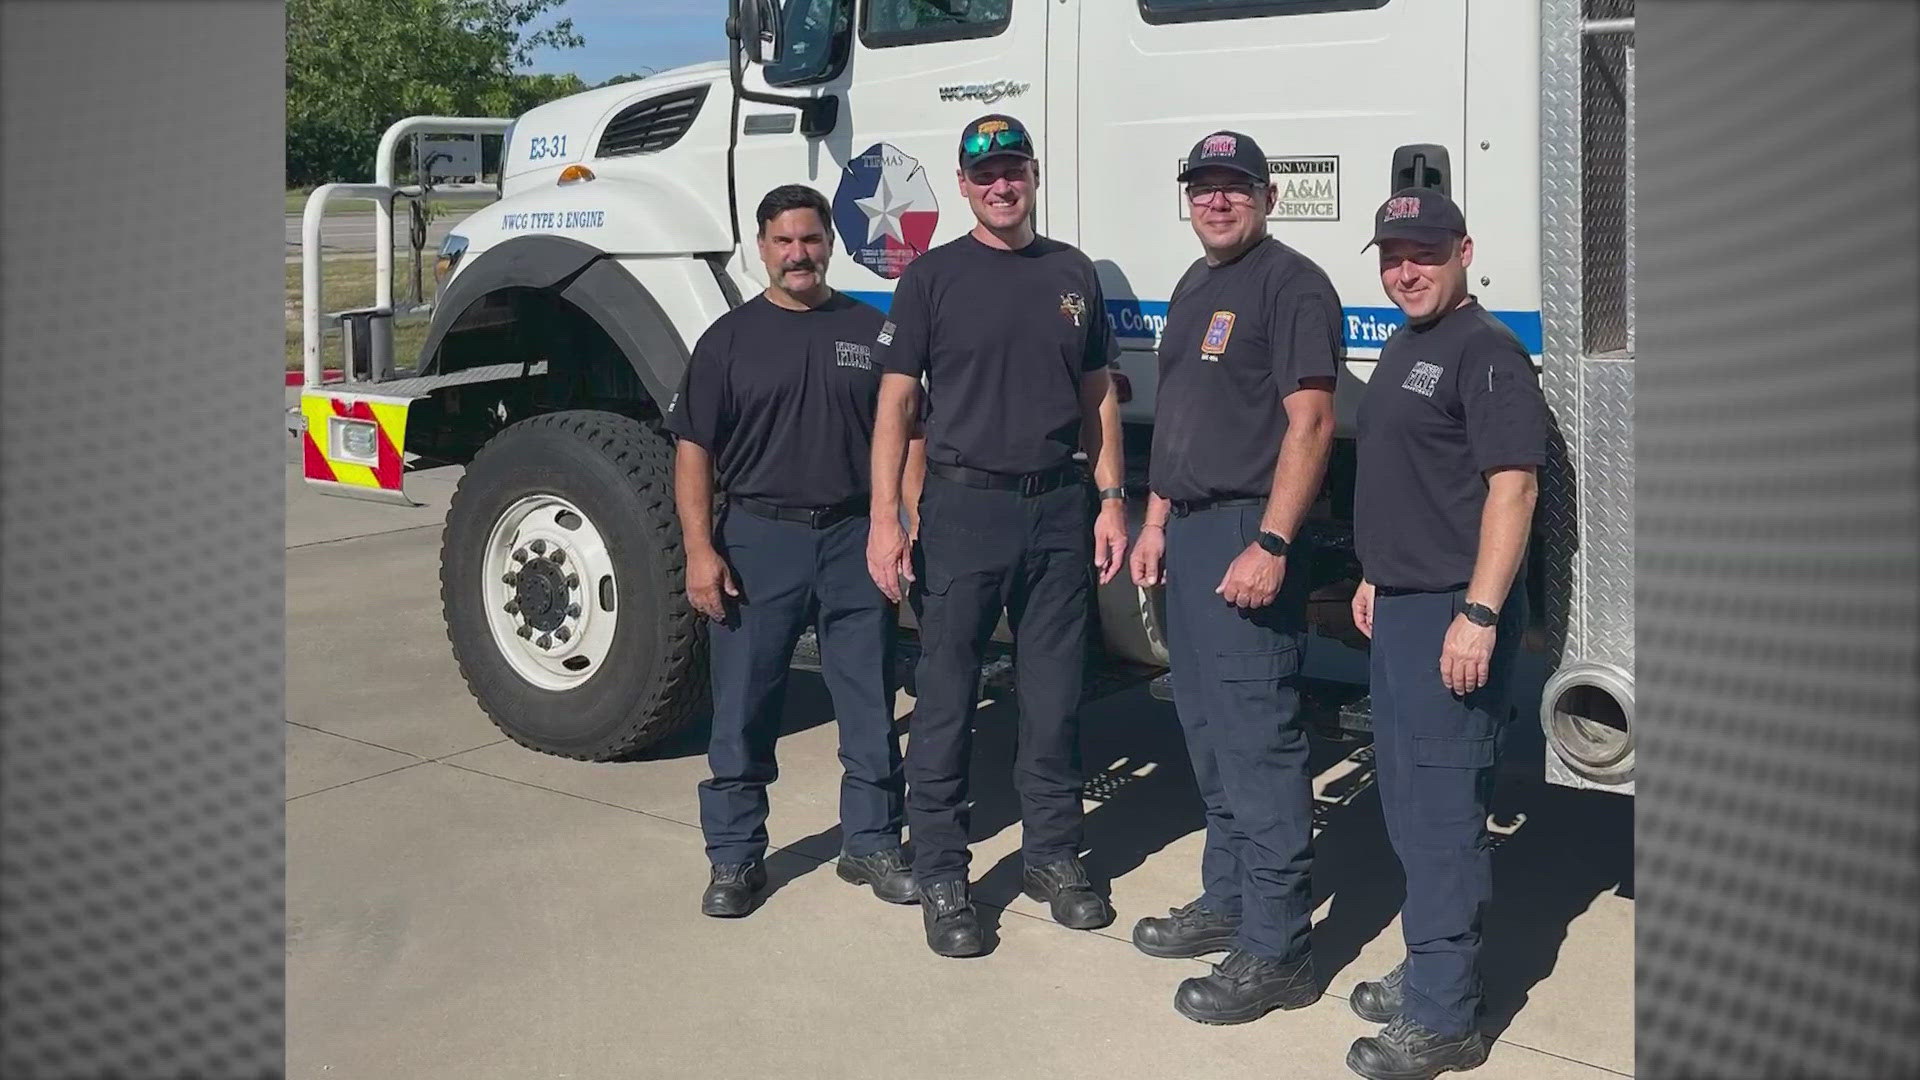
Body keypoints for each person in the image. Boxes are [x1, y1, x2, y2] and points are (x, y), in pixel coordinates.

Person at [867, 114, 1129, 958]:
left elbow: (1098, 396)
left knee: (1054, 699)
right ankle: (943, 868)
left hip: (1058, 509)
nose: (1001, 185)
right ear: (965, 184)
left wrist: (1112, 499)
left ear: (1034, 174)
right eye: (985, 174)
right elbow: (897, 406)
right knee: (946, 699)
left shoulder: (1072, 272)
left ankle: (1053, 855)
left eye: (1012, 169)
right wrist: (886, 517)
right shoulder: (932, 279)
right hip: (962, 509)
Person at [1126, 130, 1340, 1024]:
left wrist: (1276, 543)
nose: (1217, 202)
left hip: (1250, 534)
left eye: (1235, 189)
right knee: (1208, 732)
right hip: (1190, 536)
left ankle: (1279, 944)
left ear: (1267, 197)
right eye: (1203, 189)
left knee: (1259, 743)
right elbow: (1179, 416)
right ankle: (1229, 899)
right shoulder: (1194, 283)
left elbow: (1314, 421)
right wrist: (1154, 521)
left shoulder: (1291, 283)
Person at [665, 184, 913, 918]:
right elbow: (693, 450)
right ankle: (736, 859)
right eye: (783, 241)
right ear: (762, 248)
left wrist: (901, 521)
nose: (798, 254)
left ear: (829, 243)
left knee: (868, 698)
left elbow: (910, 432)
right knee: (742, 707)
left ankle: (870, 842)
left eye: (810, 239)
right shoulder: (728, 340)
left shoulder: (872, 331)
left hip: (851, 538)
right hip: (757, 540)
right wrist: (700, 550)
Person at [1344, 187, 1546, 1080]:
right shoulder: (1408, 341)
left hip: (1451, 614)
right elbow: (1412, 477)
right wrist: (1373, 572)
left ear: (1465, 250)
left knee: (1440, 816)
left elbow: (1514, 490)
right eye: (1391, 257)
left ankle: (1447, 1017)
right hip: (1399, 605)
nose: (1404, 272)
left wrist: (1478, 611)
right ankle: (1433, 962)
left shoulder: (1488, 353)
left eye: (1422, 254)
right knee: (1401, 802)